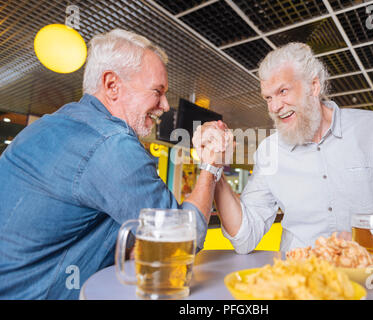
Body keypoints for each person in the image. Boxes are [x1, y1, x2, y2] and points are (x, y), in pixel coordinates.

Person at [0, 29, 220, 299]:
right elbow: (185, 238)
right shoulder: (111, 144)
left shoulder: (47, 125)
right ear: (112, 85)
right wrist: (211, 166)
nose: (164, 105)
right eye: (158, 92)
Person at [193, 42, 373, 254]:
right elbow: (244, 238)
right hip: (299, 285)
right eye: (268, 98)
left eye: (283, 91)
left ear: (314, 86)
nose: (274, 107)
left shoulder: (372, 129)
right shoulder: (269, 151)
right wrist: (214, 166)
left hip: (369, 280)